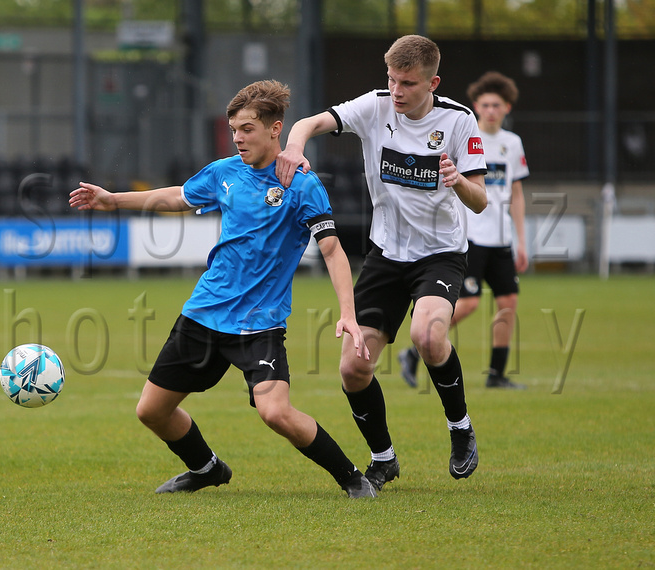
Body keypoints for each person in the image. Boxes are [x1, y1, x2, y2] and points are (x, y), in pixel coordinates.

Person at [69, 80, 377, 498]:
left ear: (275, 129)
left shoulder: (303, 185)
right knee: (151, 411)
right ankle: (206, 468)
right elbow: (180, 195)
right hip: (205, 312)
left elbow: (333, 250)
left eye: (247, 129)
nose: (237, 138)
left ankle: (351, 477)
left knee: (276, 413)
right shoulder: (224, 172)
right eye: (234, 129)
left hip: (259, 325)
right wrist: (112, 200)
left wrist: (347, 312)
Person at [275, 35, 487, 488]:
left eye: (407, 83)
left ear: (433, 81)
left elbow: (481, 201)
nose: (396, 90)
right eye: (391, 79)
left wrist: (457, 181)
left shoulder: (458, 121)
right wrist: (294, 148)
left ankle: (460, 428)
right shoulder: (374, 106)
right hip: (385, 255)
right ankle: (383, 457)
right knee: (353, 367)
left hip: (440, 254)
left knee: (427, 336)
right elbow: (310, 122)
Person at [398, 71, 529, 390]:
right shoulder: (467, 136)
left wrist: (522, 241)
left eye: (497, 105)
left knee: (508, 303)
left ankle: (496, 375)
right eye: (485, 105)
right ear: (476, 106)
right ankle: (417, 351)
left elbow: (516, 194)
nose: (491, 110)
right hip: (470, 237)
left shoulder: (512, 144)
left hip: (501, 239)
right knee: (468, 304)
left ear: (507, 108)